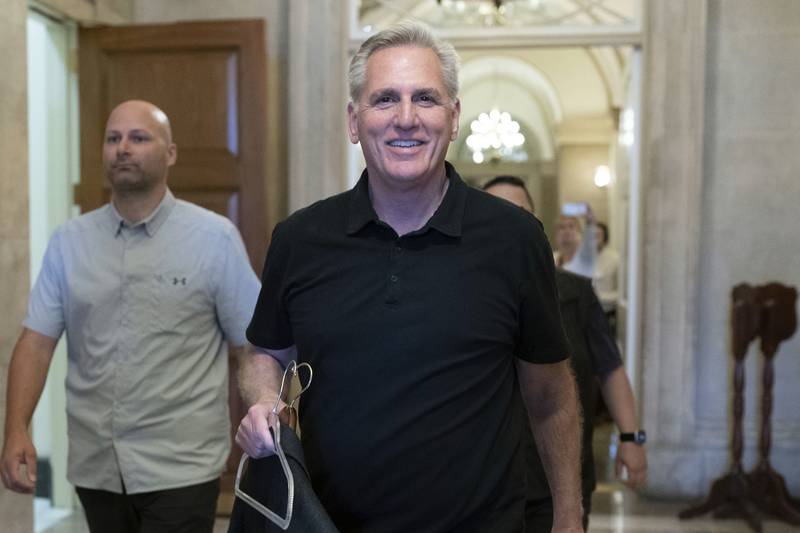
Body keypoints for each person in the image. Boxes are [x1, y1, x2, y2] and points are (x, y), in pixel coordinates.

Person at [235, 21, 583, 533]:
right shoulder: (300, 239)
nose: (405, 119)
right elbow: (265, 352)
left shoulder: (515, 239)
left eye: (425, 98)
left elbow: (550, 395)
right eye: (384, 100)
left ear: (454, 116)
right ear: (354, 121)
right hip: (330, 524)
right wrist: (264, 400)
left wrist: (569, 519)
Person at [1, 100, 260, 533]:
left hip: (181, 467)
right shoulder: (70, 242)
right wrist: (16, 429)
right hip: (96, 465)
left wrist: (265, 429)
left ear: (170, 153)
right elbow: (37, 342)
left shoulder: (214, 239)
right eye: (113, 138)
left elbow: (250, 346)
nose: (123, 148)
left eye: (139, 138)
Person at [482, 175, 648, 531]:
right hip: (485, 485)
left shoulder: (574, 293)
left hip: (559, 482)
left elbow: (610, 368)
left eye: (518, 213)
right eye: (494, 213)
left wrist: (631, 437)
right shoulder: (462, 295)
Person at [554, 211, 596, 279]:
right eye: (562, 227)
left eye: (571, 226)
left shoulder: (586, 259)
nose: (566, 230)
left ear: (579, 231)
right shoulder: (552, 258)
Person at [593, 221, 620, 324]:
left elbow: (621, 294)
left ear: (605, 238)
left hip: (607, 314)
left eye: (597, 235)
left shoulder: (615, 259)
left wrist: (599, 296)